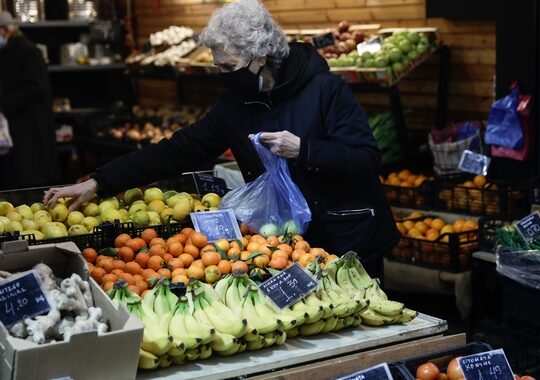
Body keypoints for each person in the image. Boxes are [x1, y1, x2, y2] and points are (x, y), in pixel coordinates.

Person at [43, 0, 398, 279]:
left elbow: (366, 158)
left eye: (228, 67)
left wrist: (303, 149)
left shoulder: (325, 90)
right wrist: (98, 181)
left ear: (260, 56)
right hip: (287, 245)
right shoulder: (236, 104)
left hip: (349, 238)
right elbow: (177, 151)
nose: (223, 76)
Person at [0, 11, 61, 189]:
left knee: (31, 175)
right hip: (15, 123)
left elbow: (36, 88)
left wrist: (4, 105)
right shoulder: (6, 52)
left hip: (31, 125)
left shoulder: (28, 51)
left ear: (6, 30)